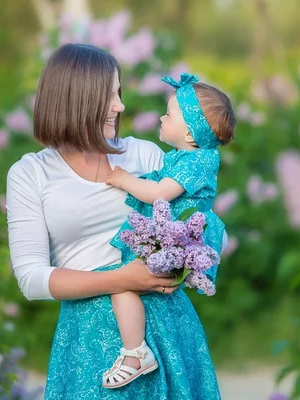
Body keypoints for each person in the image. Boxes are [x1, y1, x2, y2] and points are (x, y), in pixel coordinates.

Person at [6, 43, 224, 399]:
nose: (120, 105)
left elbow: (196, 219)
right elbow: (31, 278)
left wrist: (187, 259)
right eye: (109, 95)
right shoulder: (30, 173)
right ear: (76, 99)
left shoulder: (146, 155)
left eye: (119, 93)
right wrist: (122, 278)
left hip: (167, 330)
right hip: (87, 336)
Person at [101, 72, 236, 389]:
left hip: (179, 237)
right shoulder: (187, 157)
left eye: (169, 113)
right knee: (125, 284)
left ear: (190, 133)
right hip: (174, 235)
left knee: (121, 284)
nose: (162, 116)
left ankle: (135, 353)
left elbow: (158, 194)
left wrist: (124, 180)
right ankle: (137, 349)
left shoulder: (195, 161)